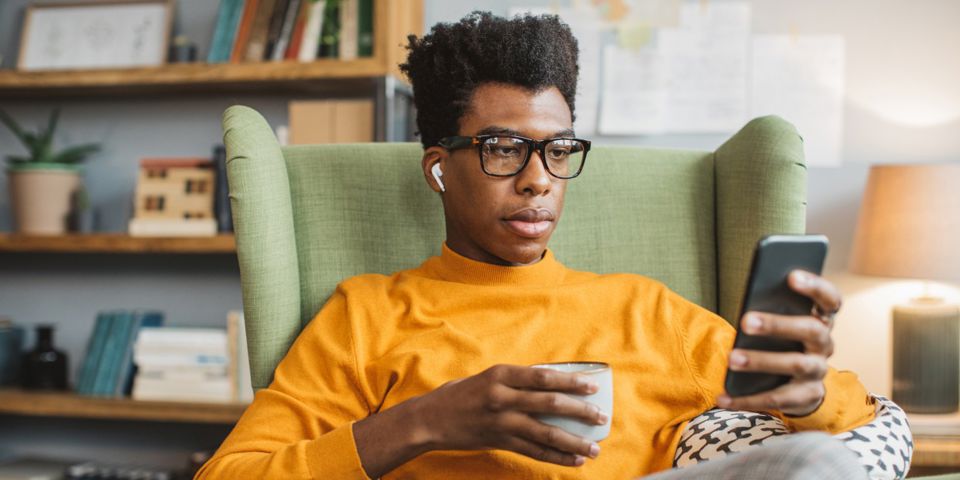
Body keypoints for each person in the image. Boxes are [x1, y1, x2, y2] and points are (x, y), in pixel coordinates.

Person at [195, 12, 875, 479]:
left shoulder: (644, 309)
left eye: (557, 151)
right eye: (502, 149)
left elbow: (858, 429)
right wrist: (423, 423)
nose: (537, 181)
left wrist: (808, 393)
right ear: (438, 168)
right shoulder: (367, 316)